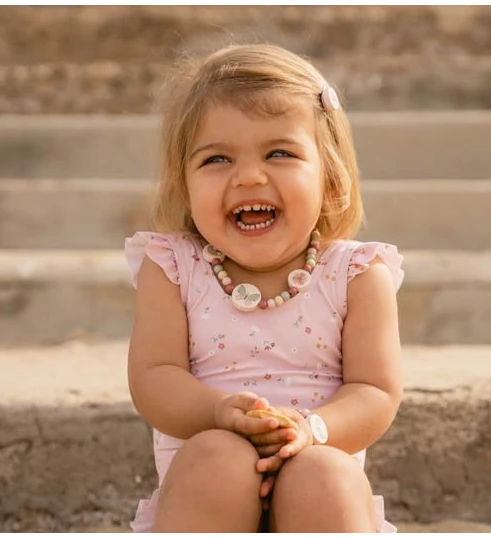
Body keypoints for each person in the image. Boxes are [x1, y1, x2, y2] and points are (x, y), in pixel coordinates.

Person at [124, 42, 404, 534]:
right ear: (183, 182)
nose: (249, 176)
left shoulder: (357, 274)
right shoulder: (172, 266)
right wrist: (217, 413)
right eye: (216, 160)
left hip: (316, 475)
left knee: (326, 473)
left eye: (280, 153)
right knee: (214, 455)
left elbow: (375, 391)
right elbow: (154, 377)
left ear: (330, 177)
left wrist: (313, 429)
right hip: (208, 491)